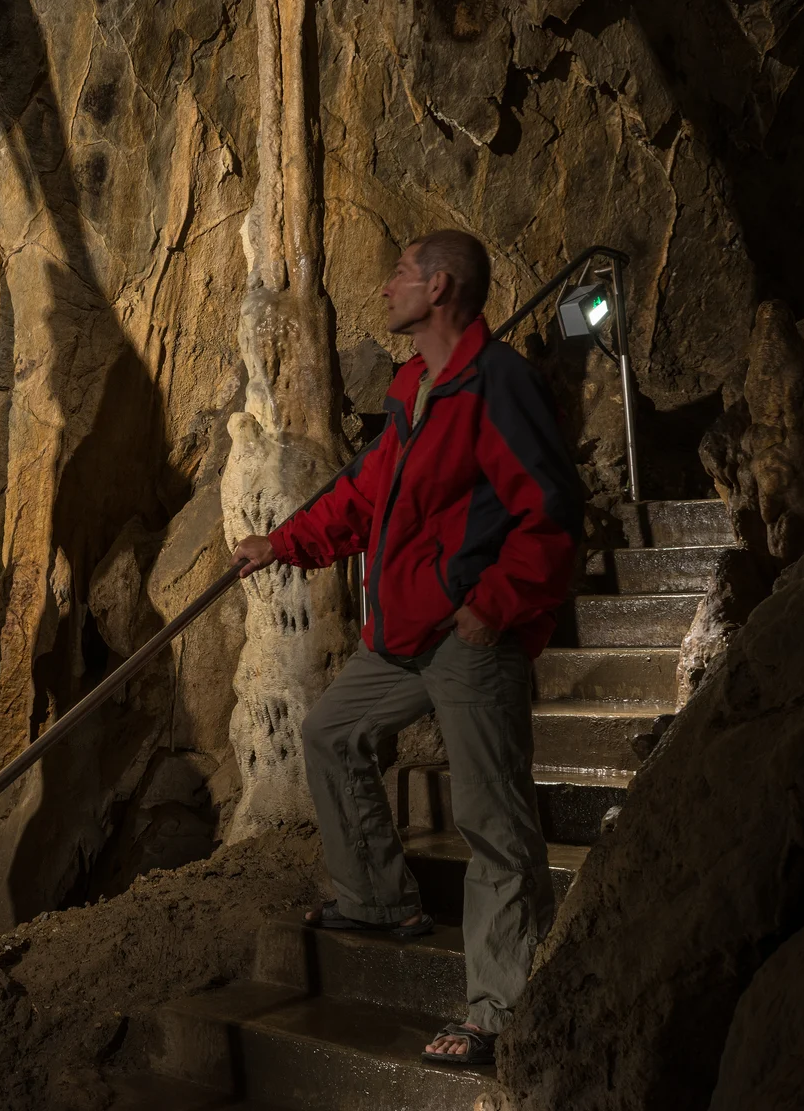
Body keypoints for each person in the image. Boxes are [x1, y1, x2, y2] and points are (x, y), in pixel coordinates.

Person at [231, 229, 583, 1067]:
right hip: (405, 634)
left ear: (443, 284)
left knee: (492, 823)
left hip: (468, 635)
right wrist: (281, 544)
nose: (386, 287)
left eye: (400, 273)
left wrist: (491, 607)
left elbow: (554, 515)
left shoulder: (493, 384)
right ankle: (381, 898)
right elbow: (362, 496)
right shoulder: (417, 388)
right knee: (329, 733)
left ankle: (500, 1013)